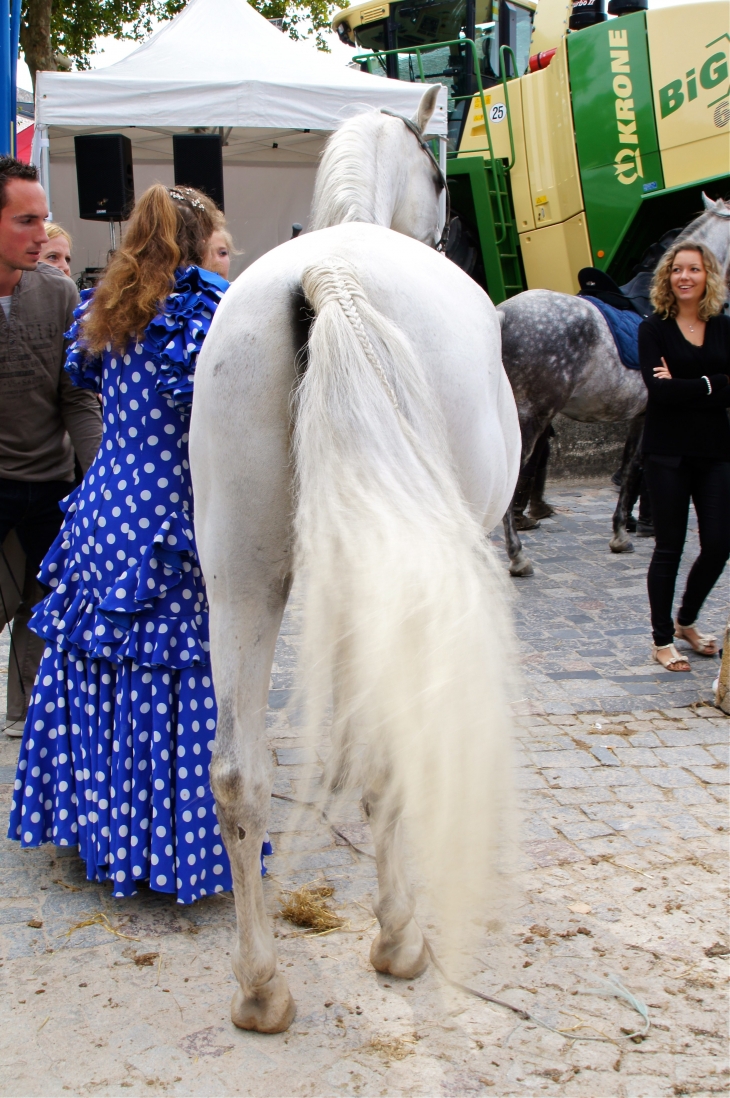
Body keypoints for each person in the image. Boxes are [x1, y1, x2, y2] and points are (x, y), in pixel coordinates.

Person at [7, 184, 239, 903]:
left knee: (96, 666)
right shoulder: (199, 312)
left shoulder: (105, 304)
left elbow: (85, 382)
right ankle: (170, 849)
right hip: (169, 507)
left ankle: (101, 830)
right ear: (199, 244)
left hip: (105, 500)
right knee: (171, 672)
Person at [0, 157, 102, 736]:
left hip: (53, 484)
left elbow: (78, 399)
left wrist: (99, 478)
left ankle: (35, 724)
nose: (41, 235)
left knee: (48, 616)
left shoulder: (59, 292)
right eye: (25, 221)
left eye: (45, 220)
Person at [638, 240, 730, 672]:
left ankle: (686, 621)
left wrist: (687, 384)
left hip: (715, 452)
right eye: (677, 270)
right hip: (667, 454)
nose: (685, 277)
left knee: (719, 543)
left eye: (693, 270)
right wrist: (713, 384)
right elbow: (659, 391)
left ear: (708, 276)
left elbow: (681, 389)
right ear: (667, 277)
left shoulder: (724, 326)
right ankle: (661, 641)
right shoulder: (653, 327)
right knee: (668, 548)